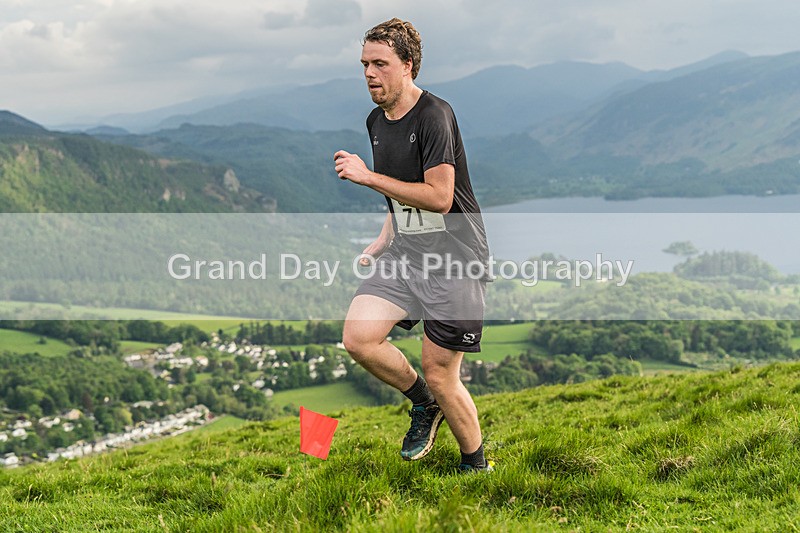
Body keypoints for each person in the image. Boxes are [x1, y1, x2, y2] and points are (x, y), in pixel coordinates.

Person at [334, 18, 492, 472]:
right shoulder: (376, 121)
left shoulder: (434, 116)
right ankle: (423, 404)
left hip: (455, 259)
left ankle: (475, 466)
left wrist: (366, 176)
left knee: (442, 373)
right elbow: (399, 192)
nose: (369, 74)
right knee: (359, 339)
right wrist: (383, 240)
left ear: (407, 66)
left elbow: (440, 198)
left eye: (380, 64)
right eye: (364, 64)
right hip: (406, 255)